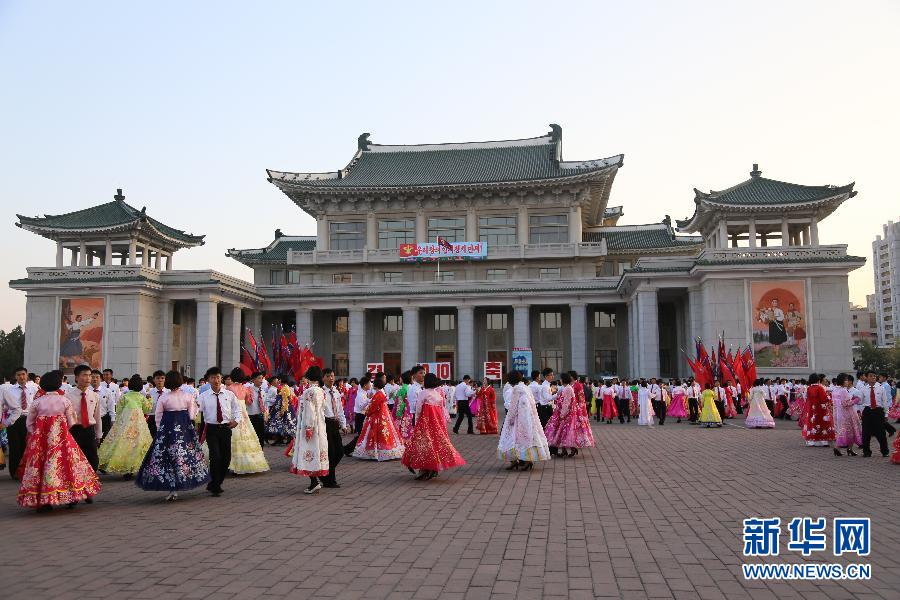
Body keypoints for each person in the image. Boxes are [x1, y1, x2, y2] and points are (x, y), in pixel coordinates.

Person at [17, 371, 101, 511]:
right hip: (62, 440)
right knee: (68, 466)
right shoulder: (64, 400)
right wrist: (61, 429)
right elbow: (72, 421)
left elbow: (29, 423)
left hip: (41, 441)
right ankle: (71, 495)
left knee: (41, 467)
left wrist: (37, 434)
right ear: (58, 384)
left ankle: (44, 500)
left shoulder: (37, 402)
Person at [135, 371, 210, 501]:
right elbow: (192, 416)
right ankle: (183, 480)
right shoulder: (188, 396)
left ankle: (171, 486)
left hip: (167, 430)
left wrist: (160, 430)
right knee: (184, 456)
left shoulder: (164, 397)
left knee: (166, 457)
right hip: (184, 430)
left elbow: (158, 416)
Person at [401, 373, 466, 480]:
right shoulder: (438, 394)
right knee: (435, 445)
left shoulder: (423, 393)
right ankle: (433, 468)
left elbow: (418, 409)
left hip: (425, 423)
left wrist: (416, 421)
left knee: (423, 445)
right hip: (437, 424)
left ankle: (424, 469)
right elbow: (441, 410)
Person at [98, 374, 154, 478]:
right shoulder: (141, 397)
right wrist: (150, 399)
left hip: (125, 421)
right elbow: (147, 409)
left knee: (118, 442)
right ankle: (133, 468)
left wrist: (118, 422)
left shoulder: (124, 396)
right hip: (138, 423)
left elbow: (119, 410)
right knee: (138, 443)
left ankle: (105, 463)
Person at [197, 367, 240, 496]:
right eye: (212, 378)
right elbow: (196, 411)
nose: (216, 380)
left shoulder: (229, 394)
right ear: (208, 380)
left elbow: (237, 409)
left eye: (218, 377)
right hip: (211, 429)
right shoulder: (203, 396)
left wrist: (236, 420)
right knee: (215, 457)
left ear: (221, 378)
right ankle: (215, 486)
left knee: (226, 458)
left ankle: (215, 482)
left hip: (226, 428)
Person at [498, 370, 551, 471]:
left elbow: (513, 407)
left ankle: (514, 461)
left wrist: (510, 420)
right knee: (528, 439)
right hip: (529, 418)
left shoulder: (516, 389)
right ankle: (528, 460)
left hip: (518, 419)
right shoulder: (526, 387)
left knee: (511, 439)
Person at [291, 366, 330, 493]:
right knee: (317, 451)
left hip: (310, 426)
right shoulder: (321, 391)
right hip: (320, 425)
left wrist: (308, 427)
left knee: (309, 451)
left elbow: (309, 411)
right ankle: (315, 481)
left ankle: (314, 482)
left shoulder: (309, 391)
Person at [352, 372, 404, 461]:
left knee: (375, 435)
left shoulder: (377, 395)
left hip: (377, 417)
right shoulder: (380, 393)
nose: (371, 385)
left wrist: (367, 413)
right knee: (383, 434)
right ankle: (383, 451)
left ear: (375, 386)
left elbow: (373, 407)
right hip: (383, 416)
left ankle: (377, 452)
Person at [226, 368, 269, 474]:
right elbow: (249, 402)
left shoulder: (229, 388)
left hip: (232, 414)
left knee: (230, 437)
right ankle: (247, 463)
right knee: (246, 436)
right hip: (243, 415)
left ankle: (228, 464)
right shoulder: (245, 389)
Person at [1, 366, 38, 480]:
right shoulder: (8, 390)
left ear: (27, 375)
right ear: (15, 377)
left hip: (29, 420)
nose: (21, 377)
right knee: (15, 448)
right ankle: (15, 473)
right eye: (18, 375)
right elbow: (2, 406)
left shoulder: (34, 389)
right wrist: (4, 422)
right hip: (14, 422)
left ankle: (27, 472)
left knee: (27, 447)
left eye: (23, 374)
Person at [66, 364, 103, 475]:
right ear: (77, 377)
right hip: (74, 430)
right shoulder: (68, 396)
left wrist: (99, 434)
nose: (88, 378)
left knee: (93, 460)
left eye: (89, 375)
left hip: (89, 430)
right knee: (74, 458)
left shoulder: (94, 396)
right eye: (84, 375)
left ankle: (90, 479)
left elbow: (97, 416)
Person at [320, 367, 349, 487]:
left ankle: (325, 474)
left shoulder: (336, 392)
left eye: (332, 376)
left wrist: (343, 424)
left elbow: (340, 409)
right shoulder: (321, 392)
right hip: (325, 423)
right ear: (323, 378)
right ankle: (330, 480)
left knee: (340, 452)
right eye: (328, 376)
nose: (331, 378)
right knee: (331, 453)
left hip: (335, 423)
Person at [859, 371, 890, 457]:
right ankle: (866, 452)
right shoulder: (863, 389)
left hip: (878, 411)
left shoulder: (881, 388)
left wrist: (886, 414)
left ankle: (885, 451)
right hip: (867, 411)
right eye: (871, 376)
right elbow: (860, 402)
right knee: (866, 433)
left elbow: (885, 401)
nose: (873, 377)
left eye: (874, 376)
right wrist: (861, 412)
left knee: (881, 432)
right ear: (866, 377)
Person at [800, 373, 835, 448]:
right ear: (818, 380)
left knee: (813, 423)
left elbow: (806, 398)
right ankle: (823, 441)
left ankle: (812, 441)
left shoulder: (809, 388)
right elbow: (824, 399)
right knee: (823, 423)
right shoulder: (820, 388)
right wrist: (829, 397)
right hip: (820, 409)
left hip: (812, 409)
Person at [832, 373, 862, 457]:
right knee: (851, 431)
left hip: (837, 414)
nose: (847, 382)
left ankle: (840, 448)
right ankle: (847, 448)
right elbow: (845, 404)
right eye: (846, 380)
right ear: (842, 381)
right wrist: (856, 400)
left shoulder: (834, 390)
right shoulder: (843, 390)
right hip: (847, 414)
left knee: (841, 431)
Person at [343, 375, 373, 455]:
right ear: (365, 385)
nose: (370, 385)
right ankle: (346, 449)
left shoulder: (364, 393)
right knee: (361, 435)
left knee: (361, 435)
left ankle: (347, 449)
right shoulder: (360, 394)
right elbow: (361, 406)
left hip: (362, 415)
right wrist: (369, 400)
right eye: (369, 384)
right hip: (360, 416)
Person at [265, 376, 297, 445]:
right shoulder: (284, 387)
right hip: (281, 408)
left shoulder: (285, 388)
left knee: (284, 423)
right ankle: (281, 439)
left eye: (279, 379)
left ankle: (286, 439)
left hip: (284, 409)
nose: (278, 381)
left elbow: (285, 400)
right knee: (283, 424)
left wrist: (283, 410)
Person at [246, 371, 268, 446]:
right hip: (250, 416)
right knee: (251, 438)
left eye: (262, 378)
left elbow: (265, 404)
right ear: (253, 379)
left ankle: (260, 451)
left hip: (260, 416)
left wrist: (265, 415)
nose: (261, 380)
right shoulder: (248, 390)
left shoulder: (263, 391)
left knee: (260, 437)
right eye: (259, 378)